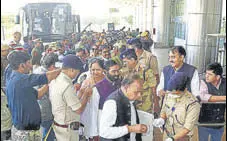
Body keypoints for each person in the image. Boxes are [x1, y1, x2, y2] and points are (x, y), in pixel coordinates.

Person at [6, 51, 61, 141]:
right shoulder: (21, 79)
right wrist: (62, 69)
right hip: (25, 133)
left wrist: (48, 84)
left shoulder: (14, 77)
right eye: (28, 63)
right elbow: (45, 76)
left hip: (28, 130)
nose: (31, 66)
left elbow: (37, 95)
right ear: (22, 65)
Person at [49, 54, 91, 141]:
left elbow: (68, 102)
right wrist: (86, 95)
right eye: (77, 71)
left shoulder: (57, 79)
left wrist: (81, 93)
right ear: (72, 70)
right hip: (67, 131)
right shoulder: (66, 85)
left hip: (60, 126)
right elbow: (78, 109)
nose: (77, 74)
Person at [100, 74, 150, 141]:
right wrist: (130, 129)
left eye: (141, 92)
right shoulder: (112, 102)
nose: (139, 96)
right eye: (136, 92)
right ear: (126, 88)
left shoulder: (130, 98)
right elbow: (104, 132)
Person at [153, 72, 200, 141]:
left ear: (183, 89)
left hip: (182, 138)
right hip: (167, 134)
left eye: (175, 93)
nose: (172, 94)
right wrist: (162, 119)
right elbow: (164, 110)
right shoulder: (168, 94)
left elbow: (187, 128)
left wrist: (172, 139)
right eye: (170, 92)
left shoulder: (192, 104)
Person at [120, 48, 158, 114]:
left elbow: (153, 88)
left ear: (132, 60)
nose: (125, 64)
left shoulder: (145, 70)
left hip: (144, 106)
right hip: (132, 105)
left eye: (126, 62)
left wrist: (156, 104)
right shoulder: (126, 71)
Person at [33, 53, 59, 141]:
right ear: (52, 66)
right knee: (48, 133)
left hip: (37, 107)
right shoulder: (47, 76)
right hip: (45, 109)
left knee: (45, 131)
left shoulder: (37, 70)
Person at [198, 63, 226, 141]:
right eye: (206, 73)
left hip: (219, 123)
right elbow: (202, 97)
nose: (206, 76)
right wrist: (224, 98)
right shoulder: (203, 82)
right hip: (204, 122)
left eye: (210, 74)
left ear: (217, 77)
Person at [80, 57, 105, 141]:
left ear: (103, 69)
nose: (95, 72)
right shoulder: (86, 82)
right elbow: (81, 99)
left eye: (98, 69)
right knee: (92, 135)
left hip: (103, 114)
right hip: (90, 114)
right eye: (92, 70)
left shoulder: (107, 81)